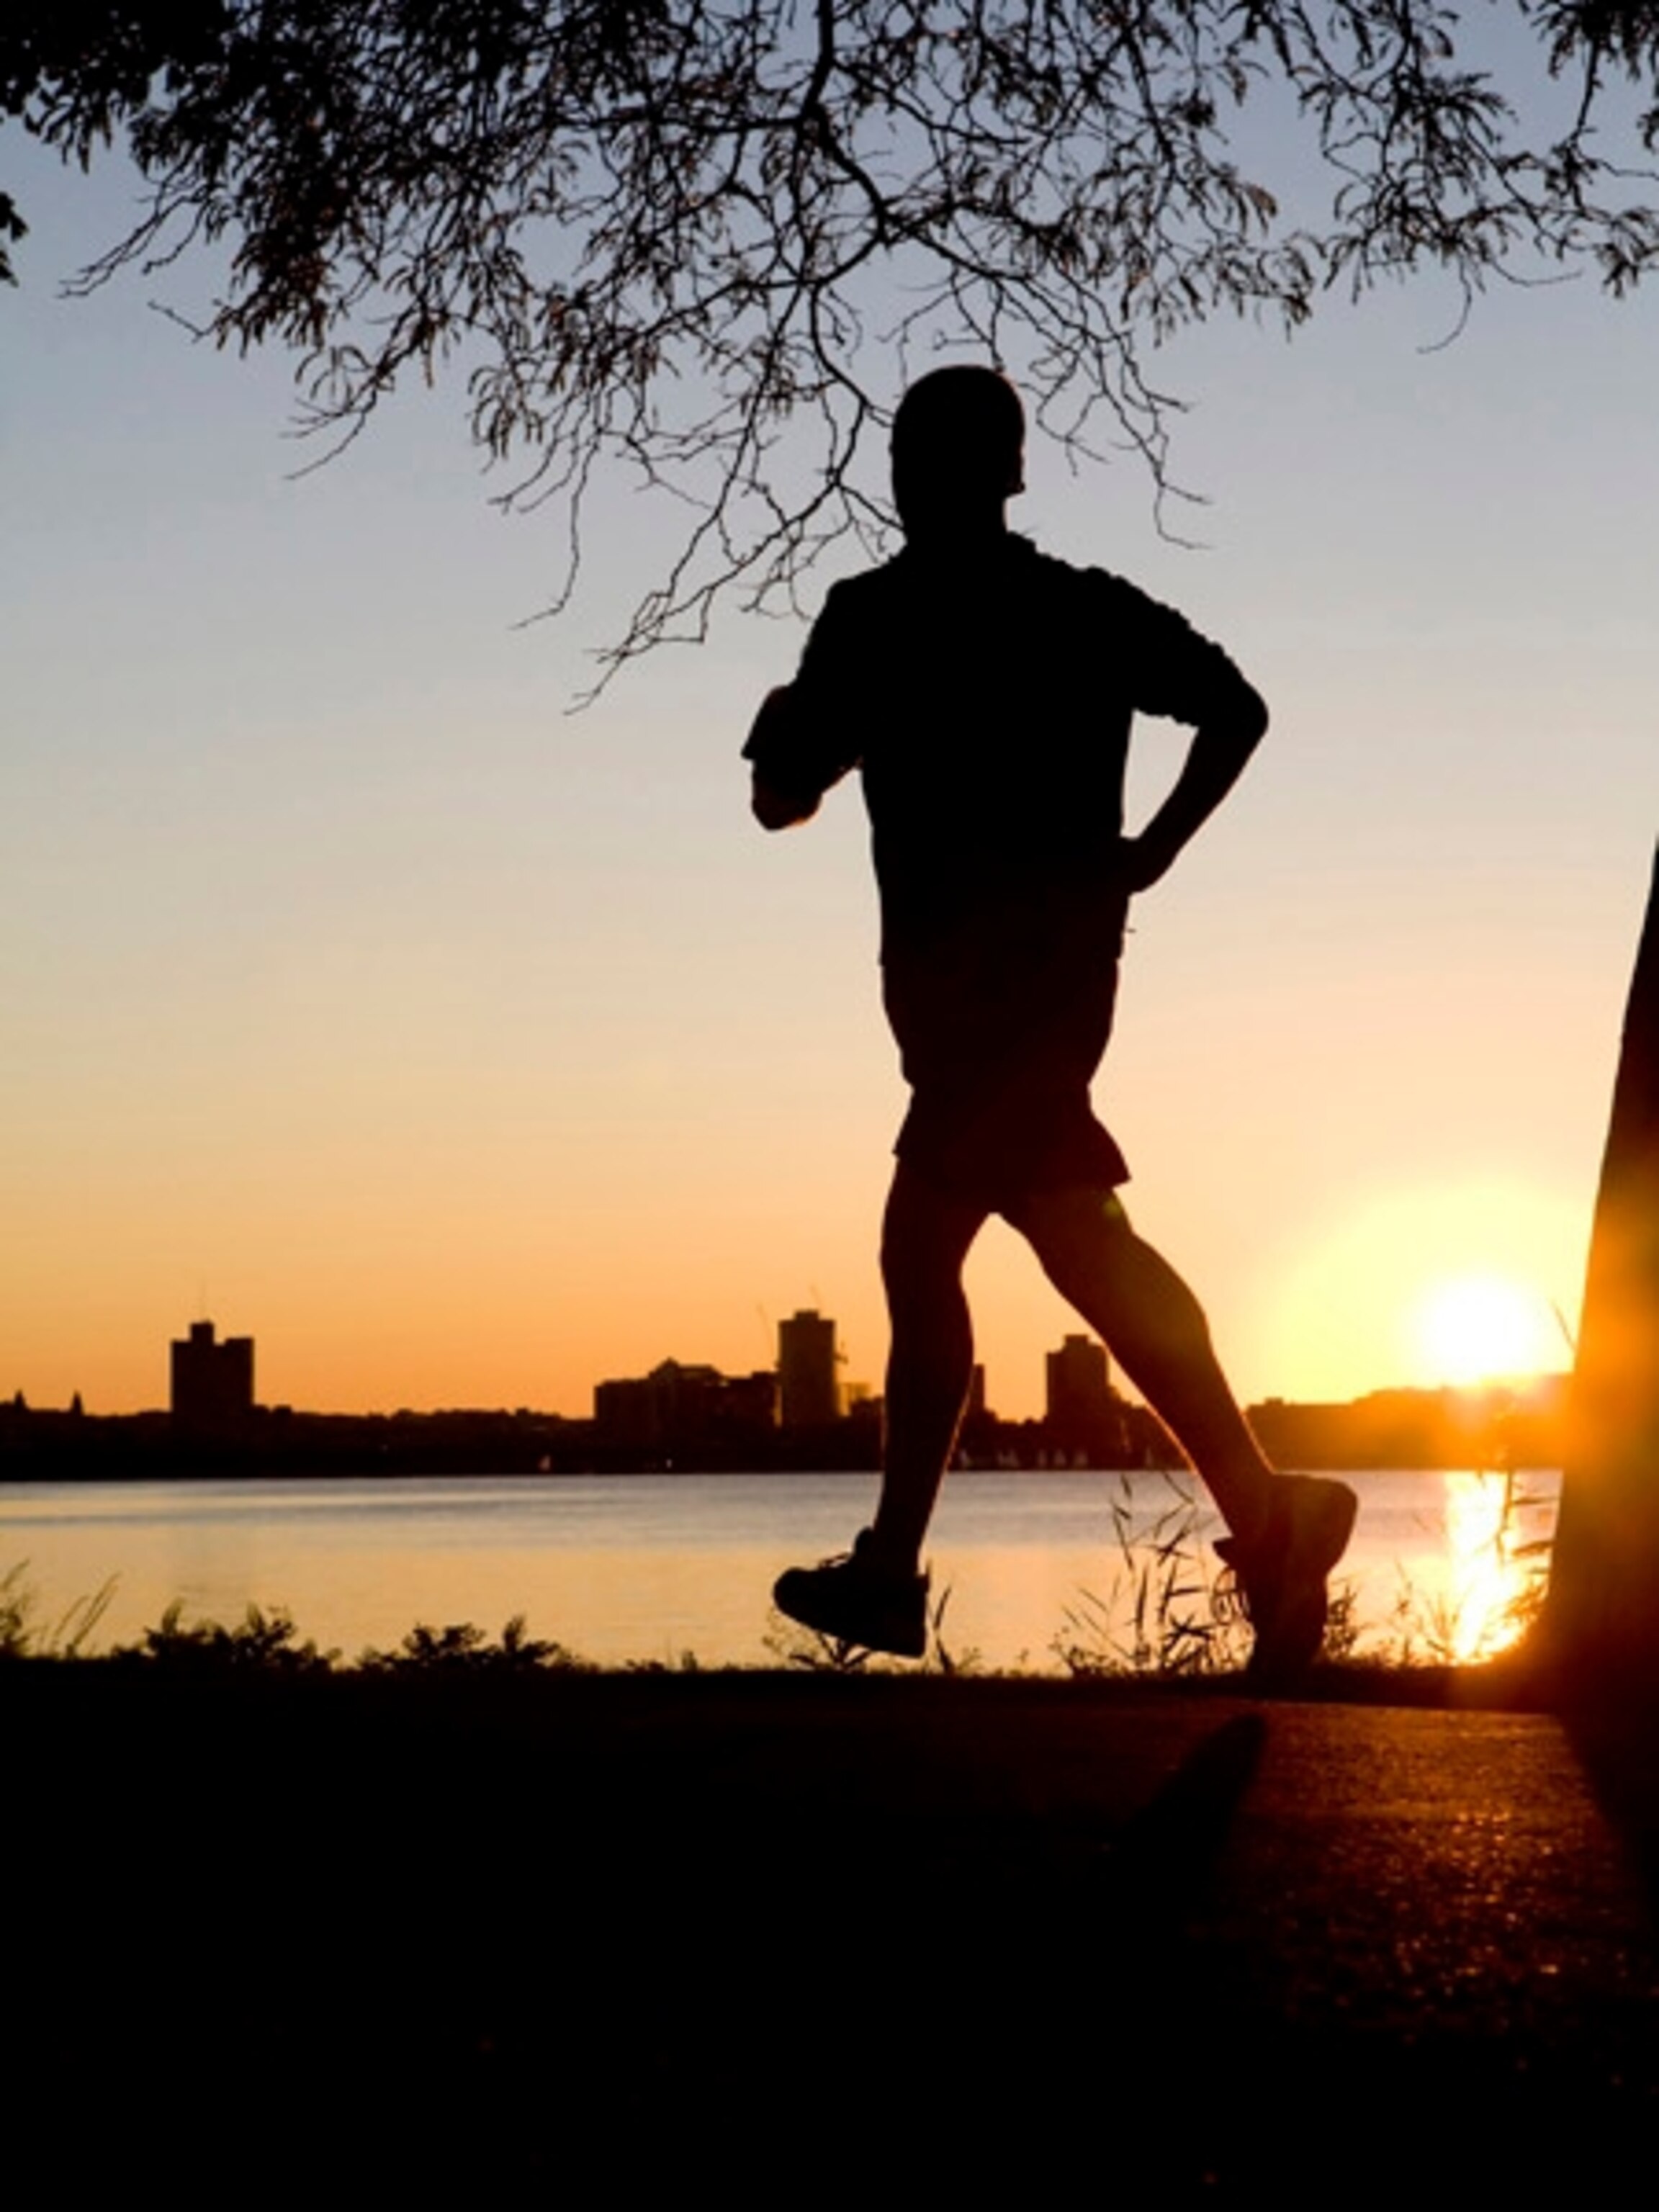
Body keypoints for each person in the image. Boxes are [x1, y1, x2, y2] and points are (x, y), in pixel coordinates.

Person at [745, 364, 1354, 1682]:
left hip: (990, 1002)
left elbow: (778, 798)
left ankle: (893, 1574)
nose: (921, 480)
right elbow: (1236, 708)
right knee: (1077, 1249)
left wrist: (1151, 853)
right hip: (1038, 989)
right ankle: (1272, 1519)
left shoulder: (881, 616)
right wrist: (1149, 855)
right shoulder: (1071, 613)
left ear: (955, 475)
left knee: (928, 1247)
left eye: (929, 457)